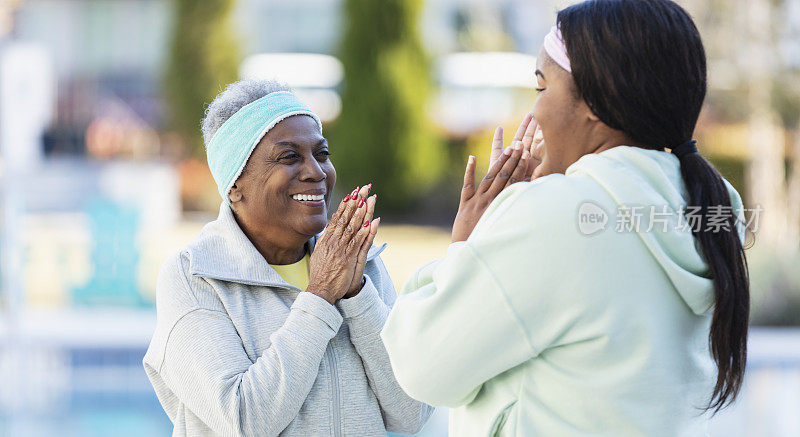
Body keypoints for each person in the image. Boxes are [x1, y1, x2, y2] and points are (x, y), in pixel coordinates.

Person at [381, 0, 750, 435]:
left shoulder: (553, 214)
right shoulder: (716, 209)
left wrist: (467, 244)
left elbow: (421, 366)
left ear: (595, 101)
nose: (533, 113)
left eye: (541, 88)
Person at [143, 80, 432, 436]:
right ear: (234, 184)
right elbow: (244, 420)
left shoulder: (358, 263)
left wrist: (357, 294)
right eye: (289, 156)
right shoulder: (195, 278)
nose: (316, 172)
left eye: (322, 154)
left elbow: (413, 411)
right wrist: (321, 296)